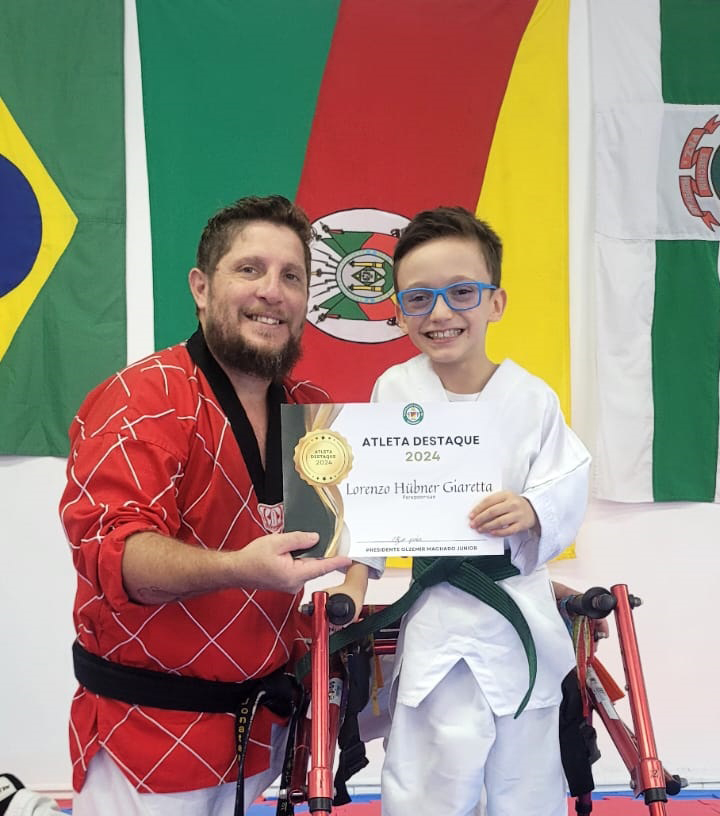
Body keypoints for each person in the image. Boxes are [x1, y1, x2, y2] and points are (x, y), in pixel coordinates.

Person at [58, 195, 354, 816]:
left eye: (291, 276)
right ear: (200, 287)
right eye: (249, 269)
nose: (272, 292)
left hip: (262, 732)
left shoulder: (312, 411)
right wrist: (239, 568)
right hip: (149, 737)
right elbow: (117, 558)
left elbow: (356, 532)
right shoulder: (142, 399)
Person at [343, 206, 591, 816]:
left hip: (517, 612)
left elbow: (567, 480)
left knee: (525, 780)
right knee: (431, 773)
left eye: (461, 293)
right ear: (398, 311)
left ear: (495, 302)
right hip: (437, 613)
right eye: (419, 298)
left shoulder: (532, 398)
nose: (440, 313)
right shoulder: (393, 390)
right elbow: (375, 496)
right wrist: (353, 585)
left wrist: (532, 508)